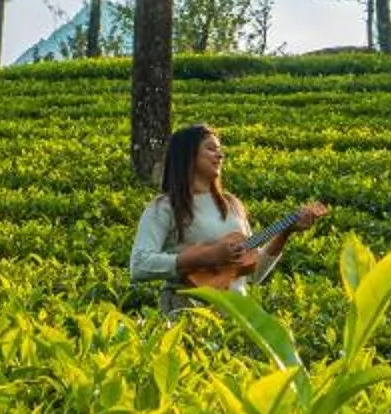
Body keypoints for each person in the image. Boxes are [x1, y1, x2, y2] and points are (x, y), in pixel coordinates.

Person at [128, 123, 328, 312]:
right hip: (188, 312)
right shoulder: (164, 207)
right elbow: (139, 264)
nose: (220, 155)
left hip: (236, 314)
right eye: (211, 149)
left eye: (220, 150)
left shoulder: (232, 205)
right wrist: (204, 257)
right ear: (188, 155)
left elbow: (253, 275)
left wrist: (285, 234)